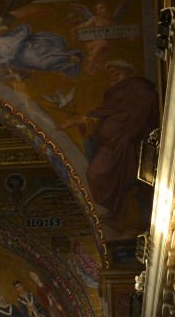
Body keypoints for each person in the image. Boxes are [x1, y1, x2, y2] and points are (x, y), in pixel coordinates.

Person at [59, 60, 158, 230]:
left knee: (132, 183)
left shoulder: (138, 87)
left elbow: (148, 101)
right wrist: (80, 120)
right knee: (93, 174)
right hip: (111, 145)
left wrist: (130, 130)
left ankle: (130, 219)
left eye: (116, 71)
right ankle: (116, 212)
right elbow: (103, 116)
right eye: (110, 72)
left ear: (126, 72)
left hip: (128, 144)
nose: (112, 74)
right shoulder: (114, 93)